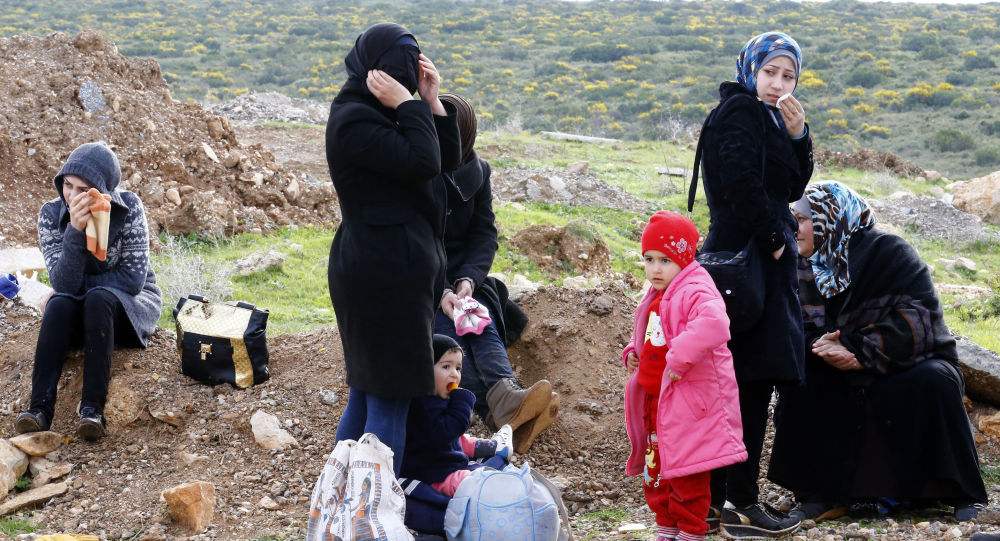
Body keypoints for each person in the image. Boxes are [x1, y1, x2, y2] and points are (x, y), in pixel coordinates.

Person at [769, 181, 988, 522]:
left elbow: (920, 320)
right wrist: (822, 347)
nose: (793, 227)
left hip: (900, 361)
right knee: (805, 380)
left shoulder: (890, 252)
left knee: (934, 380)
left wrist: (859, 351)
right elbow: (789, 323)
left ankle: (955, 494)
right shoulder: (799, 266)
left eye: (801, 218)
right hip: (832, 362)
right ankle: (821, 494)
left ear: (831, 219)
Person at [324, 23, 460, 475]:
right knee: (389, 395)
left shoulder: (382, 112)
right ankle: (374, 509)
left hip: (395, 271)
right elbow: (423, 162)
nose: (403, 76)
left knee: (369, 392)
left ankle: (343, 504)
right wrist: (406, 104)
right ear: (373, 70)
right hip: (380, 275)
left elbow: (445, 162)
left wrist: (431, 101)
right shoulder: (354, 120)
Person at [693, 31, 813, 538]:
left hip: (756, 265)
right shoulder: (740, 111)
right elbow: (738, 182)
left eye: (788, 76)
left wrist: (798, 135)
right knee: (741, 383)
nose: (777, 84)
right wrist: (774, 236)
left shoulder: (766, 117)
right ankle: (730, 502)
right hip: (746, 264)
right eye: (770, 72)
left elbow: (792, 186)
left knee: (750, 382)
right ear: (751, 69)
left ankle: (730, 501)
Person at [432, 93, 556, 455]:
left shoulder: (478, 172)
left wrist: (468, 281)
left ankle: (504, 397)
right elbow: (414, 242)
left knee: (479, 308)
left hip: (463, 277)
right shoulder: (418, 175)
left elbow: (484, 234)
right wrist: (441, 292)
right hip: (421, 275)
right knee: (446, 330)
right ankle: (498, 409)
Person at [15, 142, 162, 441]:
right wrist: (75, 231)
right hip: (84, 311)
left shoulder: (130, 208)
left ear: (103, 191)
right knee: (58, 304)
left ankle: (92, 411)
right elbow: (64, 284)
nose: (73, 196)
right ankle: (39, 409)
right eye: (68, 185)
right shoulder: (51, 214)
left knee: (95, 298)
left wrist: (77, 290)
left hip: (130, 306)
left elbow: (132, 280)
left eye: (84, 190)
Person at [622, 211, 747, 541]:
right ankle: (667, 526)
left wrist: (677, 358)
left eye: (665, 259)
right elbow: (653, 335)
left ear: (684, 257)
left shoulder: (695, 288)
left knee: (687, 474)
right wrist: (634, 352)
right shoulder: (657, 294)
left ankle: (691, 531)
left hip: (687, 405)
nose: (655, 269)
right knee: (657, 471)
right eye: (648, 259)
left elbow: (715, 324)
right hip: (655, 401)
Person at [401, 334, 512, 495]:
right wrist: (463, 402)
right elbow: (449, 430)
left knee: (463, 440)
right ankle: (486, 470)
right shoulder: (422, 404)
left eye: (458, 368)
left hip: (440, 453)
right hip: (435, 472)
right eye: (446, 367)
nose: (454, 374)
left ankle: (495, 446)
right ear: (425, 368)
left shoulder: (436, 396)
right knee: (472, 481)